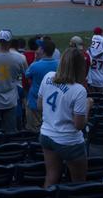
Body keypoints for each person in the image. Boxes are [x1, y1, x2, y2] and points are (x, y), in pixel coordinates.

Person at [38, 48, 93, 187]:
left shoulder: (48, 76)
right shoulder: (79, 90)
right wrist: (88, 106)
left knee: (51, 176)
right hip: (69, 141)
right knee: (79, 182)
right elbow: (79, 125)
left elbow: (40, 106)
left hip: (46, 135)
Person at [25, 40, 58, 133]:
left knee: (34, 130)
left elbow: (27, 74)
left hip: (35, 103)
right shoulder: (59, 64)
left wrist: (35, 59)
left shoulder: (35, 65)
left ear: (42, 50)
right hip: (52, 104)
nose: (36, 50)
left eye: (39, 48)